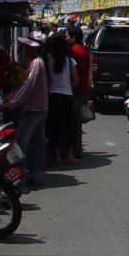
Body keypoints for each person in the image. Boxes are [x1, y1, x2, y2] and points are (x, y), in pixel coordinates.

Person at [4, 37, 49, 188]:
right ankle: (37, 175)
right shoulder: (38, 62)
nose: (24, 49)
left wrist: (11, 103)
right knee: (37, 143)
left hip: (33, 109)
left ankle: (23, 174)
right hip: (38, 108)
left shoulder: (36, 63)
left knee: (21, 142)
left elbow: (27, 88)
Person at [43, 33, 79, 164]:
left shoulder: (49, 62)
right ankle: (69, 156)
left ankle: (57, 156)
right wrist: (68, 86)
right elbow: (76, 80)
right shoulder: (70, 61)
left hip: (53, 96)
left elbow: (46, 81)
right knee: (70, 125)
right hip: (67, 96)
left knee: (55, 126)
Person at [66, 27, 91, 160]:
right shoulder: (83, 51)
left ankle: (72, 150)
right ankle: (77, 149)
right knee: (76, 123)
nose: (66, 39)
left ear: (74, 37)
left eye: (67, 36)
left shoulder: (73, 52)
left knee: (72, 123)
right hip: (81, 90)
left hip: (75, 90)